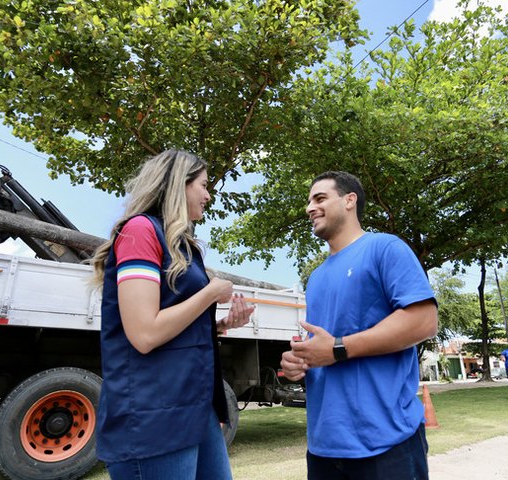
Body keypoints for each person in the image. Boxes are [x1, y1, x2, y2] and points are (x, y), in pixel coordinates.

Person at [91, 149, 255, 480]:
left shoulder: (182, 246)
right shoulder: (140, 231)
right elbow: (145, 334)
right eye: (204, 185)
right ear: (179, 184)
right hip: (154, 417)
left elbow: (175, 329)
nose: (209, 196)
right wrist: (210, 292)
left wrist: (221, 324)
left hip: (195, 408)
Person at [280, 171, 438, 480]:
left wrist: (338, 348)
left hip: (387, 444)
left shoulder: (385, 248)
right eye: (309, 201)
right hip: (324, 449)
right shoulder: (315, 278)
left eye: (320, 198)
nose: (309, 208)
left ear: (349, 200)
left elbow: (424, 321)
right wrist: (300, 363)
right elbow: (322, 348)